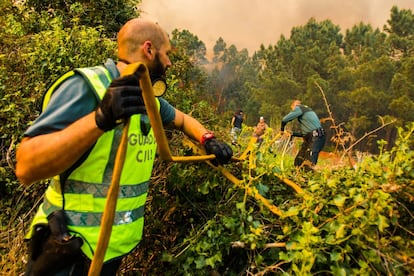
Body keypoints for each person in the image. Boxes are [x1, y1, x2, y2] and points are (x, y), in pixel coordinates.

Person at [15, 18, 232, 275]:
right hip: (67, 251)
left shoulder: (146, 98)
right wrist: (100, 118)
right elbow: (26, 166)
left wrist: (207, 139)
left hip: (110, 252)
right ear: (148, 50)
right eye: (167, 54)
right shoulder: (87, 87)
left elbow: (182, 119)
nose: (170, 63)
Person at [280, 100, 325, 168]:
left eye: (292, 109)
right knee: (299, 160)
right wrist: (293, 133)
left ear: (294, 106)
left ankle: (307, 176)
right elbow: (305, 133)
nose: (293, 111)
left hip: (316, 136)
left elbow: (284, 120)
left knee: (309, 162)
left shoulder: (299, 108)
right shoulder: (307, 112)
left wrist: (282, 130)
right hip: (313, 136)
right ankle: (297, 173)